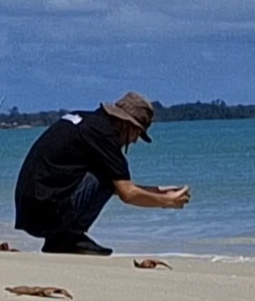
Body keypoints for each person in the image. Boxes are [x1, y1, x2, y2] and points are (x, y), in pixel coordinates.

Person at [13, 91, 191, 256]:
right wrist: (167, 201)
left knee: (108, 176)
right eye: (137, 132)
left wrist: (160, 191)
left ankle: (62, 239)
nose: (135, 140)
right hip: (44, 214)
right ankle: (68, 238)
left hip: (29, 209)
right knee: (107, 176)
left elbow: (115, 188)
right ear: (125, 123)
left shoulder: (88, 122)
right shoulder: (105, 136)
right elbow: (126, 193)